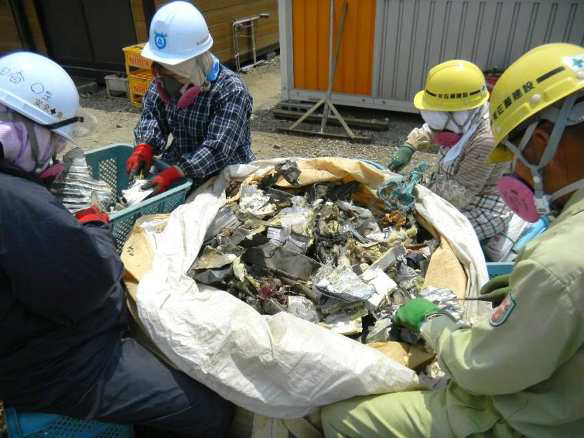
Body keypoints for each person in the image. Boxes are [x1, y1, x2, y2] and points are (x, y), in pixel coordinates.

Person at [322, 42, 584, 437]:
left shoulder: (558, 261)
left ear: (542, 141)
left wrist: (435, 323)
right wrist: (410, 148)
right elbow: (432, 129)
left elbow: (482, 369)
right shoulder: (467, 117)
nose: (514, 169)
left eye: (514, 155)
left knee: (338, 417)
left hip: (522, 417)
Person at [0, 51, 233, 437]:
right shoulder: (16, 203)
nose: (60, 151)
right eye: (55, 141)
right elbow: (94, 284)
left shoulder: (230, 91)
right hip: (67, 363)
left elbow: (221, 146)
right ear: (18, 134)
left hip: (201, 172)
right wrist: (93, 221)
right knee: (208, 410)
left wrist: (181, 169)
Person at [388, 60, 512, 260]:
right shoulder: (465, 115)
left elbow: (458, 195)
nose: (436, 129)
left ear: (459, 114)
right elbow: (433, 125)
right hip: (451, 186)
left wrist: (414, 192)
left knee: (434, 244)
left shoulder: (486, 140)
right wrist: (410, 145)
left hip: (480, 205)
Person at [129, 1, 255, 194]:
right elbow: (153, 115)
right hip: (178, 163)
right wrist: (145, 145)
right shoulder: (164, 81)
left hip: (223, 171)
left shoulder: (231, 91)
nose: (170, 84)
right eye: (165, 74)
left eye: (177, 76)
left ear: (197, 63)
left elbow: (217, 149)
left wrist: (177, 172)